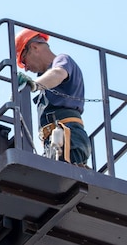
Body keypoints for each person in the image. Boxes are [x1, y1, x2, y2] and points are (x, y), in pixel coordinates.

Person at [15, 29, 91, 165]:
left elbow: (58, 74)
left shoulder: (62, 60)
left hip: (69, 137)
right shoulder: (43, 82)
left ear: (34, 47)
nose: (25, 68)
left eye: (24, 60)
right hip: (53, 142)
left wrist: (33, 85)